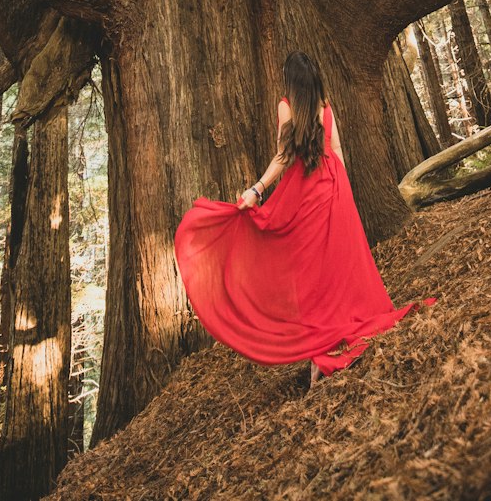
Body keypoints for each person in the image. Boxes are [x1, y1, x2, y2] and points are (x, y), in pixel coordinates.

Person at [174, 50, 435, 385]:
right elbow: (337, 150)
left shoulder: (287, 106)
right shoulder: (325, 106)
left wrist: (257, 189)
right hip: (335, 189)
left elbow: (284, 157)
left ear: (291, 83)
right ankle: (325, 350)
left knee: (307, 276)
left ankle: (319, 353)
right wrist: (345, 191)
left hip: (306, 194)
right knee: (335, 271)